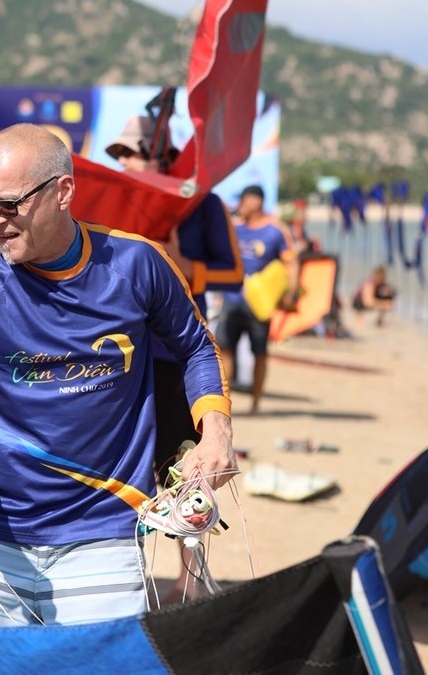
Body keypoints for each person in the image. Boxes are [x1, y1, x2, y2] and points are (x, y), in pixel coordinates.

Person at [0, 124, 232, 626]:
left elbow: (196, 348)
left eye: (10, 205)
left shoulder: (138, 263)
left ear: (63, 192)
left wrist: (215, 435)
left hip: (103, 537)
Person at [106, 112, 243, 603]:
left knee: (189, 467)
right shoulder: (114, 199)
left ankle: (190, 578)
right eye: (118, 154)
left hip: (179, 356)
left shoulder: (203, 206)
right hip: (119, 359)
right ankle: (130, 576)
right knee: (127, 469)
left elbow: (234, 275)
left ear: (162, 154)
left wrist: (188, 267)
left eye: (133, 151)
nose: (125, 161)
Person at [216, 185, 299, 415]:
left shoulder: (276, 230)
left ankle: (256, 403)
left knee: (259, 353)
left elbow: (291, 263)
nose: (240, 206)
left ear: (255, 202)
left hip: (260, 303)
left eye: (243, 201)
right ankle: (226, 403)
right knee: (225, 350)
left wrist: (290, 294)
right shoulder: (235, 228)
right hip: (232, 299)